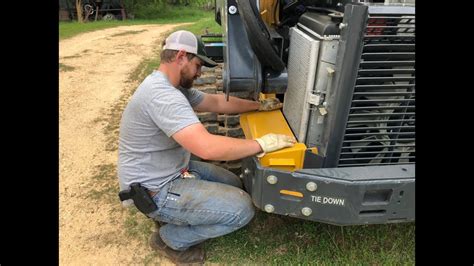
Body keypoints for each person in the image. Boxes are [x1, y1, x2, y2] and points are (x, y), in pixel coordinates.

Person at [117, 30, 296, 264]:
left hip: (173, 170)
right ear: (181, 56)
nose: (200, 72)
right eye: (198, 65)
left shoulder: (172, 86)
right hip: (156, 190)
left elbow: (216, 101)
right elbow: (207, 148)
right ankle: (169, 238)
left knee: (235, 183)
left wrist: (259, 105)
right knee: (242, 209)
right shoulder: (162, 96)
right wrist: (261, 144)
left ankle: (177, 216)